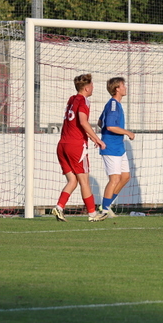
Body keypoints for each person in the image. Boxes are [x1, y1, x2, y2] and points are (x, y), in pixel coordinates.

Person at [53, 73, 107, 222]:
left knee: (72, 180)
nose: (93, 87)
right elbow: (83, 122)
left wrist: (92, 138)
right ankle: (92, 214)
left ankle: (59, 207)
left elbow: (75, 122)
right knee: (84, 181)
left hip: (62, 145)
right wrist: (97, 139)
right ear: (87, 88)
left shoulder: (72, 99)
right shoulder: (84, 101)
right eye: (92, 85)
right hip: (76, 146)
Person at [97, 77, 136, 218]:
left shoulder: (114, 104)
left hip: (119, 147)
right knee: (114, 179)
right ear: (117, 89)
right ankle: (104, 211)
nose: (125, 87)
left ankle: (106, 205)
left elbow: (100, 122)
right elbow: (109, 126)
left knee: (125, 177)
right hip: (111, 147)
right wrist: (127, 132)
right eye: (123, 85)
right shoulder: (113, 105)